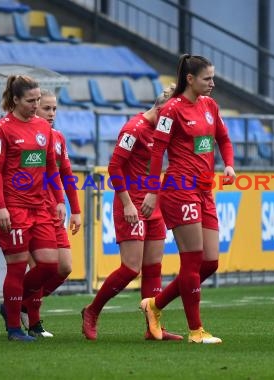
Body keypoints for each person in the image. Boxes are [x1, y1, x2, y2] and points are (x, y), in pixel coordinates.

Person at [139, 54, 235, 344]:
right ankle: (196, 331)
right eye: (207, 78)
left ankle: (154, 305)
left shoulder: (210, 106)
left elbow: (223, 139)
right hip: (180, 189)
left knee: (210, 263)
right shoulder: (171, 111)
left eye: (213, 78)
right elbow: (157, 154)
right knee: (192, 261)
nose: (213, 83)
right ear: (190, 79)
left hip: (204, 190)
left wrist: (229, 164)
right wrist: (153, 191)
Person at [81, 84, 183, 341]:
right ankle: (92, 311)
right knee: (130, 268)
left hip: (154, 204)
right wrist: (127, 204)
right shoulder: (133, 129)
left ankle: (152, 327)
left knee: (153, 267)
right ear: (159, 109)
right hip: (132, 205)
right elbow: (115, 168)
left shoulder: (163, 129)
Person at [0, 75, 66, 342]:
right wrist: (0, 207)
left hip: (40, 208)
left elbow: (51, 168)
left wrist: (59, 200)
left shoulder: (43, 128)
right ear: (15, 100)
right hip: (14, 208)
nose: (35, 105)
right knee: (17, 267)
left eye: (37, 100)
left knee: (50, 265)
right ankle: (13, 328)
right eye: (30, 101)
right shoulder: (1, 129)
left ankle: (12, 302)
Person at [17, 89, 82, 336]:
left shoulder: (57, 138)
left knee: (63, 268)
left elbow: (65, 174)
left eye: (54, 109)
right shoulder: (21, 133)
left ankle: (17, 303)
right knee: (42, 266)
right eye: (46, 108)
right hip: (29, 210)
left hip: (53, 211)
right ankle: (32, 321)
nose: (51, 113)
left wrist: (74, 209)